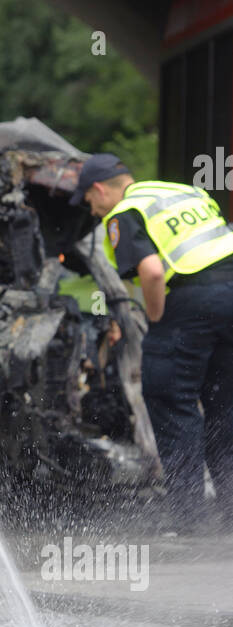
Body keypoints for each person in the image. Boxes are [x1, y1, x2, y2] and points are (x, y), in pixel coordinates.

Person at [71, 153, 233, 528]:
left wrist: (155, 319)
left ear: (99, 189)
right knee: (225, 407)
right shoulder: (183, 192)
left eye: (89, 201)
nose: (92, 211)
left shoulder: (124, 213)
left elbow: (152, 271)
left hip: (193, 298)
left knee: (169, 400)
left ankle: (189, 522)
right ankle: (229, 516)